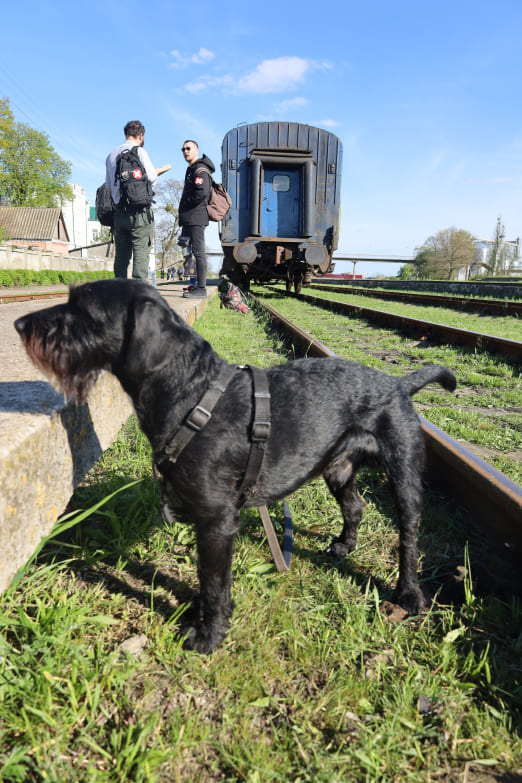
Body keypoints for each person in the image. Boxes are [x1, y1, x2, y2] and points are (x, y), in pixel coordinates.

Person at [106, 121, 158, 280]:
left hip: (120, 213)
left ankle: (119, 295)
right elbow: (152, 178)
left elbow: (109, 186)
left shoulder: (111, 155)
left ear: (126, 133)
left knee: (121, 257)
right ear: (141, 135)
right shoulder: (140, 152)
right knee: (141, 254)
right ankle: (138, 296)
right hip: (140, 213)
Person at [178, 140, 214, 298]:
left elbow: (202, 192)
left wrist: (186, 203)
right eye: (183, 149)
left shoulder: (200, 170)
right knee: (188, 250)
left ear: (196, 150)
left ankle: (201, 288)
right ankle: (193, 284)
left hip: (196, 217)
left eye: (188, 148)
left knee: (199, 252)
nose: (185, 151)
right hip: (189, 218)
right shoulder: (191, 169)